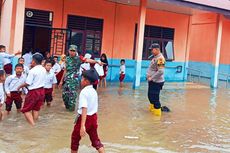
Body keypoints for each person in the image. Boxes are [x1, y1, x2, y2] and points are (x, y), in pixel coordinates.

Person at [59, 45, 103, 111]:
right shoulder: (67, 59)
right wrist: (61, 81)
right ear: (68, 51)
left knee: (72, 98)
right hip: (67, 80)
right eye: (71, 50)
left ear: (76, 51)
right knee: (64, 96)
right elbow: (65, 70)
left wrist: (96, 61)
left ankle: (70, 113)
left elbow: (87, 60)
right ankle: (67, 109)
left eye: (73, 51)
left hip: (74, 81)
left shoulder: (79, 58)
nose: (72, 52)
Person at [71, 69, 105, 153]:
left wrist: (82, 126)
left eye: (82, 78)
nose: (81, 80)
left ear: (86, 81)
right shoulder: (93, 91)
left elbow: (84, 108)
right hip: (93, 118)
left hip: (85, 118)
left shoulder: (84, 92)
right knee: (95, 140)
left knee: (75, 139)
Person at [17, 53, 46, 126]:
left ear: (34, 61)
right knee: (36, 109)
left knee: (26, 110)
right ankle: (35, 124)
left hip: (34, 92)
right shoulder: (43, 69)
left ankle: (33, 126)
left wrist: (20, 86)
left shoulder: (33, 70)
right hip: (42, 91)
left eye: (32, 60)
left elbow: (28, 83)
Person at [146, 43, 165, 116]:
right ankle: (152, 111)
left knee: (155, 98)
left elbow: (161, 71)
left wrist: (151, 77)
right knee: (150, 96)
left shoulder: (160, 58)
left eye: (152, 50)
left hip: (156, 82)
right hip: (152, 81)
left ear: (157, 49)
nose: (151, 51)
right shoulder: (155, 57)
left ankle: (156, 118)